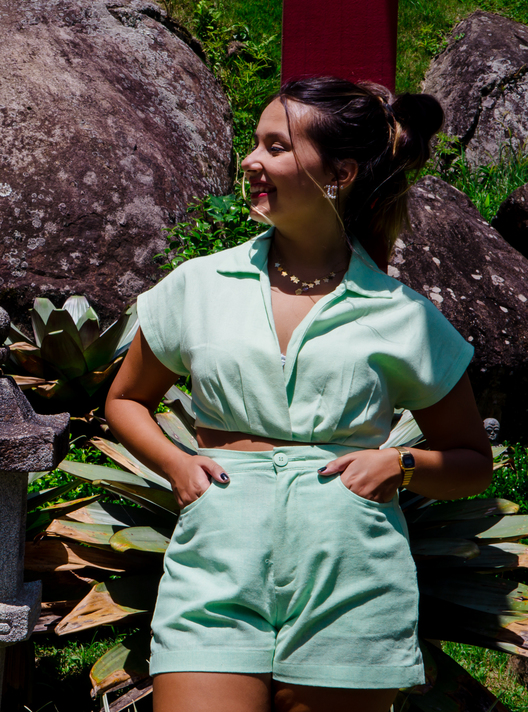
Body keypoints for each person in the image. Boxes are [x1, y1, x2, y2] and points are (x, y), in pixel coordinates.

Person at [105, 76, 493, 712]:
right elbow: (126, 399)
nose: (251, 162)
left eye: (276, 148)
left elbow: (471, 462)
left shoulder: (403, 314)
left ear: (339, 171)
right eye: (255, 144)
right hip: (217, 557)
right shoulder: (198, 285)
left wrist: (397, 464)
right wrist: (176, 464)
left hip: (352, 570)